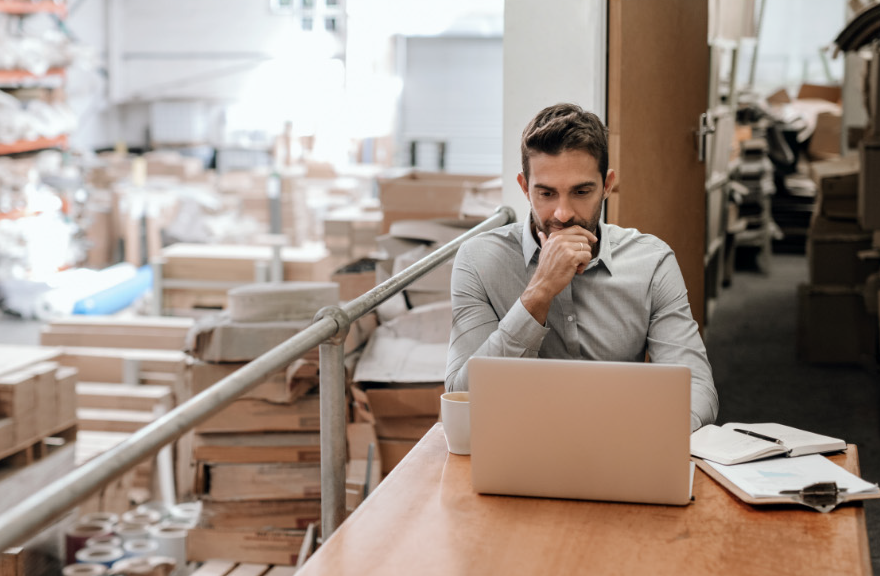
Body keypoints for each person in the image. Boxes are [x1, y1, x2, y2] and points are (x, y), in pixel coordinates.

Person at [444, 103, 718, 432]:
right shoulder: (478, 260)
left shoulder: (652, 261)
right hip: (518, 443)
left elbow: (697, 390)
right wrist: (539, 293)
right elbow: (463, 398)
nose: (562, 213)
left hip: (623, 444)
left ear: (607, 185)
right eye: (545, 193)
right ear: (524, 187)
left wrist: (645, 438)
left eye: (581, 191)